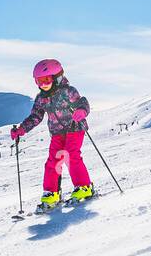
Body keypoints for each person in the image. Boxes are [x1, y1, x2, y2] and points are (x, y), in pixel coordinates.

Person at [10, 58, 94, 209]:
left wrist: (81, 111)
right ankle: (52, 192)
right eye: (39, 81)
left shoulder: (68, 91)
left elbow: (83, 102)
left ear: (57, 77)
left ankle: (84, 187)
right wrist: (22, 129)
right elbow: (36, 116)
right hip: (56, 133)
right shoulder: (41, 98)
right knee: (53, 161)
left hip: (74, 127)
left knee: (71, 154)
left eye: (46, 80)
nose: (43, 84)